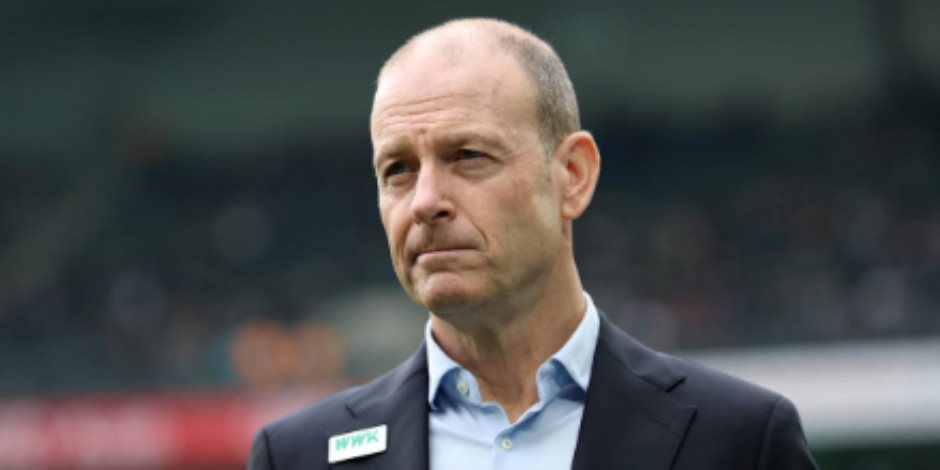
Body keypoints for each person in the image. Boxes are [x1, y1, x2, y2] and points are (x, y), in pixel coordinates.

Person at [249, 18, 818, 469]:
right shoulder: (296, 457)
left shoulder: (741, 441)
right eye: (397, 169)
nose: (424, 201)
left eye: (468, 156)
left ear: (573, 175)